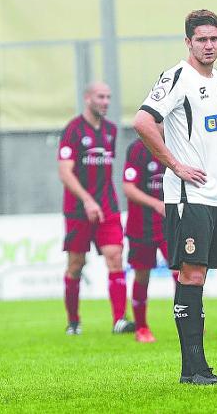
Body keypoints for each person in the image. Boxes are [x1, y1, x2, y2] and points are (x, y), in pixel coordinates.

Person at [133, 9, 217, 385]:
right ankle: (194, 370)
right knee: (191, 274)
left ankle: (195, 370)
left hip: (213, 195)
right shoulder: (177, 76)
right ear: (188, 42)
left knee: (198, 275)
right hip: (188, 195)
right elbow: (143, 121)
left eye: (215, 38)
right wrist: (175, 165)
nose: (209, 45)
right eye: (201, 39)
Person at [58, 81, 134, 336]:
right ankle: (73, 322)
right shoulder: (73, 130)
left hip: (107, 208)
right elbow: (65, 173)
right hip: (78, 211)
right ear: (88, 98)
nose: (105, 102)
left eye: (109, 97)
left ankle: (119, 320)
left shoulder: (111, 131)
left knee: (115, 257)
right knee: (76, 264)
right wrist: (87, 200)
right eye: (101, 97)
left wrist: (98, 201)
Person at [123, 137, 178, 342]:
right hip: (141, 225)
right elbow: (128, 188)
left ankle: (188, 321)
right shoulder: (137, 148)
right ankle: (142, 328)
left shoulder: (176, 144)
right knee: (142, 276)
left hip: (168, 224)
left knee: (180, 271)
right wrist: (156, 204)